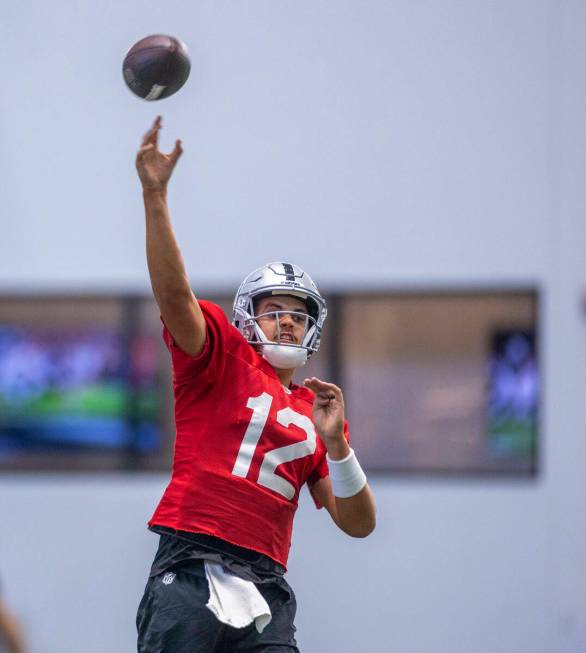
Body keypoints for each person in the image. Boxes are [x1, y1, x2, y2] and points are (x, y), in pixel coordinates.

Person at [135, 116, 376, 653]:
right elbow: (174, 298)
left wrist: (337, 446)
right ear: (249, 319)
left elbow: (358, 525)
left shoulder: (316, 411)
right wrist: (155, 196)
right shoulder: (220, 356)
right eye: (274, 311)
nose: (287, 322)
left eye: (297, 313)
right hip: (191, 562)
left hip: (266, 585)